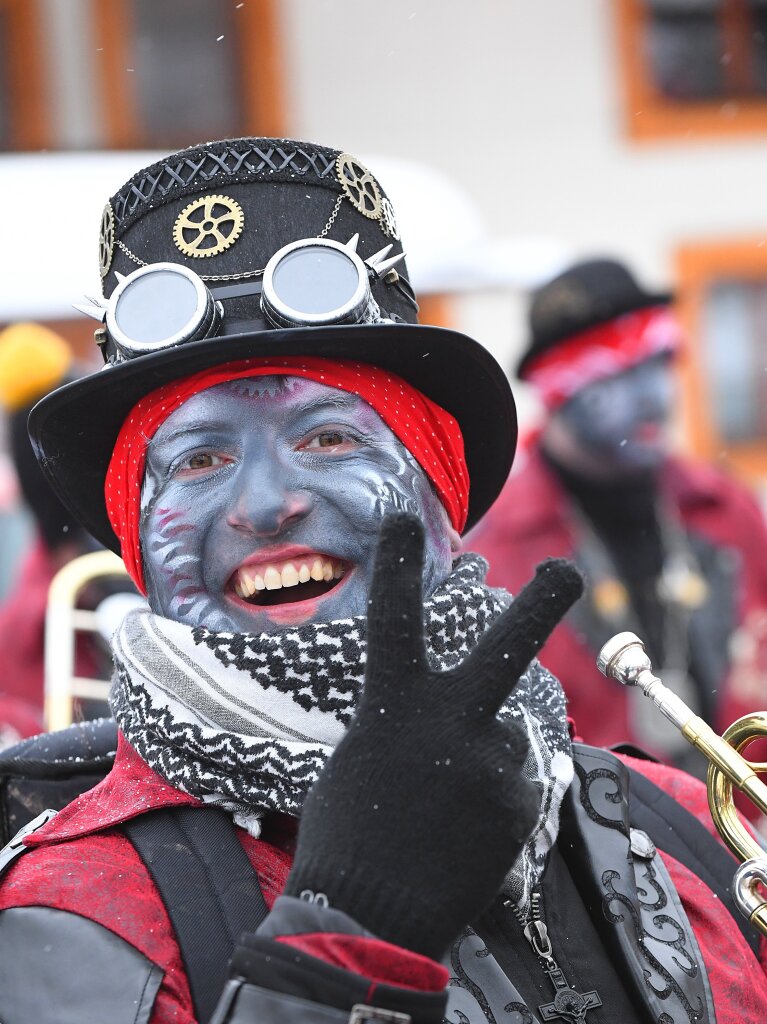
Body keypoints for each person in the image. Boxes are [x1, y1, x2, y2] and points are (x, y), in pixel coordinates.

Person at [0, 139, 765, 1024]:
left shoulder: (675, 824)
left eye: (327, 438)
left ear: (441, 491)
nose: (265, 505)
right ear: (138, 538)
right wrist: (350, 939)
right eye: (200, 459)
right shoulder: (78, 906)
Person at [469, 259, 767, 774]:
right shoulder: (493, 549)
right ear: (562, 389)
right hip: (597, 838)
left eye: (661, 364)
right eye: (624, 372)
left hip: (742, 825)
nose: (657, 396)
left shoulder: (723, 507)